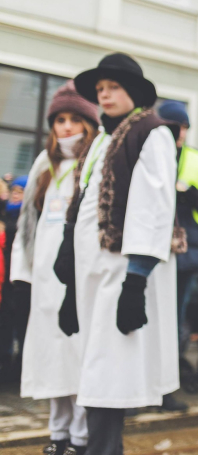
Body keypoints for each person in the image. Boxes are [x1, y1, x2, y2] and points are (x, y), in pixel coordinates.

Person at [60, 53, 180, 455]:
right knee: (96, 372)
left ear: (132, 92)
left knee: (109, 375)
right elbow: (83, 202)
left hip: (122, 272)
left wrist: (136, 279)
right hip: (93, 274)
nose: (105, 95)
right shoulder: (101, 140)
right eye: (100, 90)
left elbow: (154, 208)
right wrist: (67, 265)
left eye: (112, 87)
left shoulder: (151, 132)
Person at [9, 81, 99, 455]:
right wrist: (23, 270)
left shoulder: (92, 159)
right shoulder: (44, 163)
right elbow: (28, 220)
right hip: (45, 277)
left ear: (87, 122)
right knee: (49, 358)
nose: (65, 126)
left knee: (76, 357)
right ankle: (57, 434)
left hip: (76, 275)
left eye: (73, 119)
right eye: (59, 119)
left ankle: (80, 436)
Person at [157, 100, 198, 409]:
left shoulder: (197, 159)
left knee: (174, 321)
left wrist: (197, 198)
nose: (178, 132)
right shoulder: (150, 154)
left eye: (182, 127)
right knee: (149, 319)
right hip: (153, 249)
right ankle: (144, 386)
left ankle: (166, 389)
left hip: (185, 253)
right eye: (172, 126)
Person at [0, 176, 27, 381]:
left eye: (21, 190)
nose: (16, 193)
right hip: (5, 281)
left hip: (20, 280)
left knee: (19, 324)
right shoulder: (5, 215)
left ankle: (18, 369)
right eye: (14, 190)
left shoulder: (27, 218)